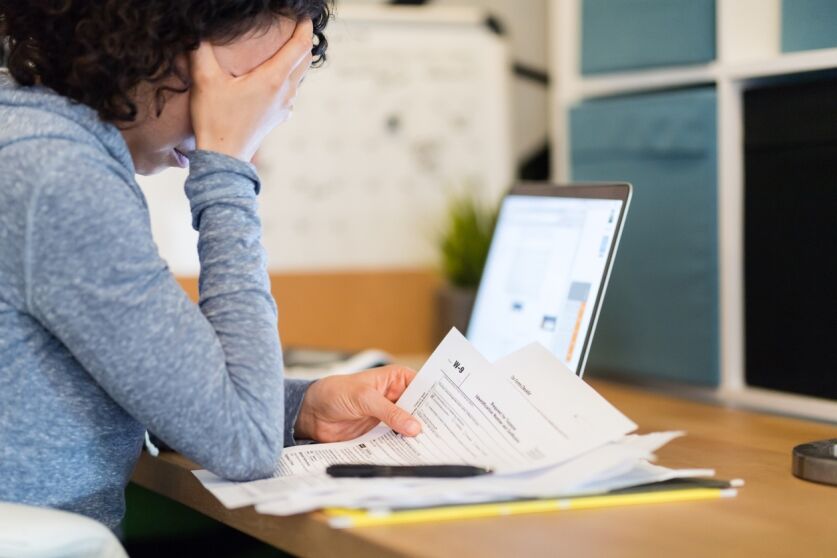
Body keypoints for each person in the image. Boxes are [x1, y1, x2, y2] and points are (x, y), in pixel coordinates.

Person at [0, 0, 422, 529]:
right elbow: (244, 442)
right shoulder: (56, 175)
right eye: (250, 81)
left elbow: (150, 378)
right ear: (155, 41)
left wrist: (299, 407)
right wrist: (226, 164)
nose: (275, 109)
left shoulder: (29, 133)